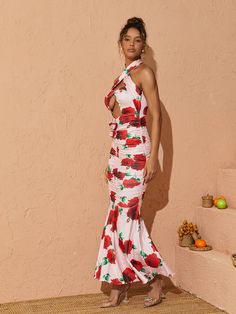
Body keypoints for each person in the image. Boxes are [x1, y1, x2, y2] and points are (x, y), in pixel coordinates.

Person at [93, 16, 174, 308]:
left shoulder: (144, 73)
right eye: (127, 39)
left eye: (137, 40)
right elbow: (118, 123)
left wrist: (153, 157)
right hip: (118, 156)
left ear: (143, 46)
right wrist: (109, 159)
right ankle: (118, 287)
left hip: (138, 152)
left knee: (127, 217)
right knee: (116, 219)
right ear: (120, 44)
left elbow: (157, 116)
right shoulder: (121, 77)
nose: (132, 44)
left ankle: (154, 279)